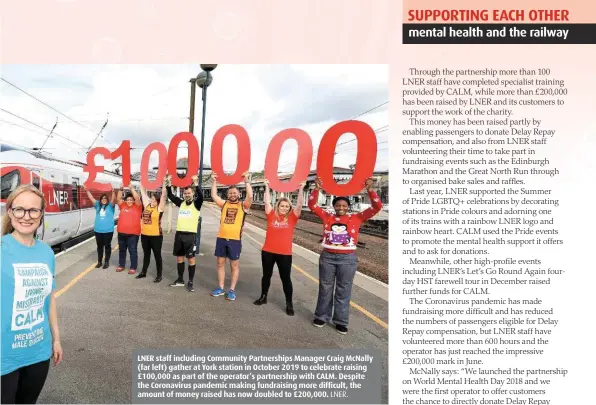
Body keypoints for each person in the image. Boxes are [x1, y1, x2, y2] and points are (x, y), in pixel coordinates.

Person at [1, 184, 63, 404]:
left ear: (41, 214)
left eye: (33, 210)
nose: (26, 216)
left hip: (38, 350)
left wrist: (56, 339)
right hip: (4, 354)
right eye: (19, 210)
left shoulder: (46, 252)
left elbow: (49, 299)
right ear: (10, 212)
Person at [308, 176, 383, 334]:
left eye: (344, 205)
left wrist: (370, 189)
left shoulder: (357, 218)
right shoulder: (327, 217)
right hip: (327, 257)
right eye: (338, 205)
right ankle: (321, 316)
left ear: (348, 207)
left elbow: (377, 207)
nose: (341, 207)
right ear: (334, 206)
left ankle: (341, 321)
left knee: (344, 289)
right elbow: (312, 205)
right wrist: (317, 188)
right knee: (325, 288)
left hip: (347, 259)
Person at [254, 180, 306, 316]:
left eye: (286, 206)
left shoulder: (293, 218)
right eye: (282, 206)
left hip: (284, 253)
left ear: (289, 208)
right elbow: (267, 202)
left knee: (285, 278)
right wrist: (266, 186)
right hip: (268, 252)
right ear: (278, 206)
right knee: (266, 275)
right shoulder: (271, 215)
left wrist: (301, 188)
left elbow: (299, 204)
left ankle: (289, 303)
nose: (284, 208)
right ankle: (263, 297)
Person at [210, 171, 252, 301]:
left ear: (239, 194)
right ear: (227, 195)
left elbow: (250, 196)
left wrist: (246, 181)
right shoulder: (224, 204)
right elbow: (214, 196)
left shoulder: (243, 205)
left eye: (235, 193)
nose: (232, 195)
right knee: (220, 263)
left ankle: (232, 290)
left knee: (234, 265)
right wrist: (215, 181)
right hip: (221, 238)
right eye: (230, 193)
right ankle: (221, 288)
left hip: (235, 240)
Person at [166, 174, 203, 292]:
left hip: (190, 236)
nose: (187, 195)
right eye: (185, 193)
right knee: (179, 258)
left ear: (192, 194)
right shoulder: (181, 203)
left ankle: (190, 281)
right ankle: (180, 280)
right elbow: (171, 196)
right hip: (179, 235)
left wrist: (196, 183)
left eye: (189, 193)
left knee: (191, 259)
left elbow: (201, 196)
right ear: (183, 194)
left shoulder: (196, 204)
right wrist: (168, 184)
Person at [137, 178, 167, 282]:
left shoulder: (160, 208)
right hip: (144, 235)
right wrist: (142, 180)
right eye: (152, 199)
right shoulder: (147, 205)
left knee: (157, 255)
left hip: (156, 236)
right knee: (146, 254)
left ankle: (159, 275)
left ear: (158, 201)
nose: (152, 201)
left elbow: (163, 195)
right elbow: (142, 191)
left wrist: (164, 182)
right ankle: (143, 272)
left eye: (155, 200)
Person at [84, 186, 116, 269]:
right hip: (98, 231)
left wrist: (113, 192)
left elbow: (113, 199)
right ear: (100, 199)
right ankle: (99, 262)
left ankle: (106, 262)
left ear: (107, 199)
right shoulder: (98, 205)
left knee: (107, 246)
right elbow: (91, 198)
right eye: (102, 198)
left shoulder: (110, 206)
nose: (104, 199)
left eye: (105, 198)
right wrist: (87, 190)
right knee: (99, 247)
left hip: (108, 231)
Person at [116, 184, 143, 275]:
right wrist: (120, 189)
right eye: (128, 199)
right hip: (121, 233)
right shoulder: (123, 206)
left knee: (133, 251)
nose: (129, 201)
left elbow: (137, 198)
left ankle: (133, 267)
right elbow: (119, 199)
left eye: (131, 200)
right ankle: (121, 265)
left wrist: (131, 188)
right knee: (122, 250)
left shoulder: (138, 206)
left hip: (133, 234)